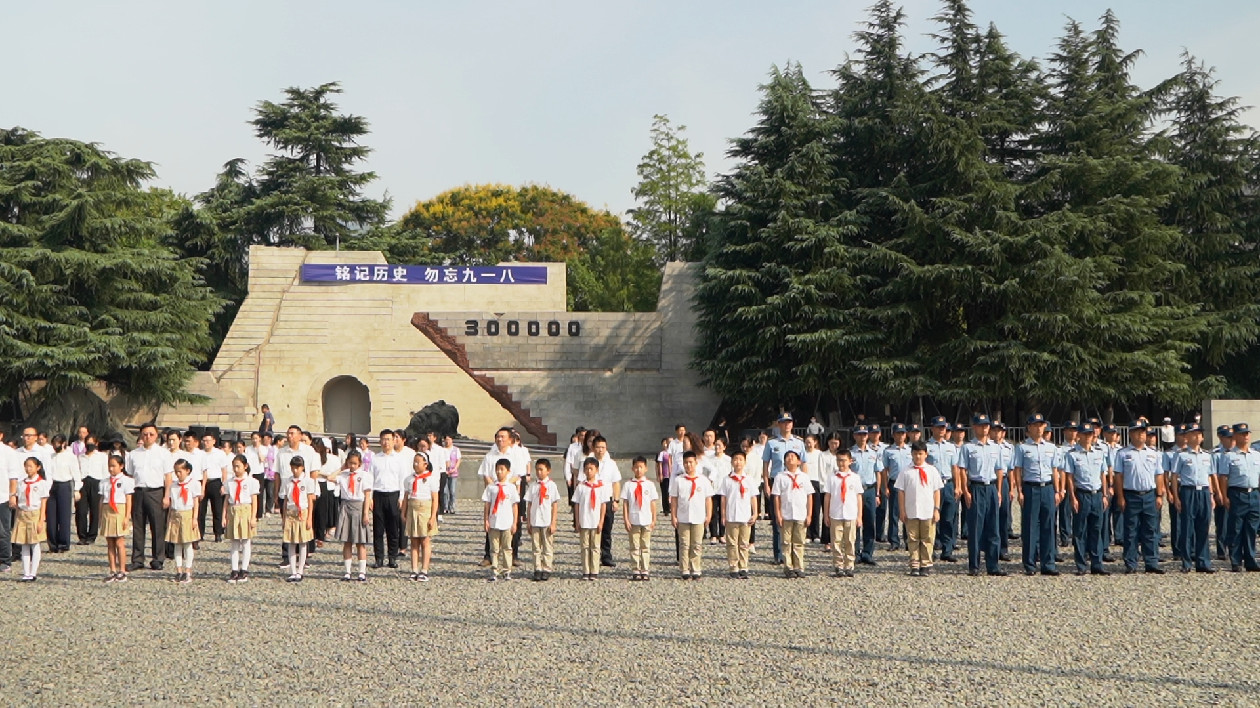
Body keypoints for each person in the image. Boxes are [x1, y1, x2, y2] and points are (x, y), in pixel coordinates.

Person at [1112, 419, 1166, 574]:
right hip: (1131, 495)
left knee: (1150, 530)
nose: (1141, 435)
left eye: (1143, 432)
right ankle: (1131, 563)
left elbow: (1159, 475)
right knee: (1131, 531)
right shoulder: (1123, 453)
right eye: (1137, 431)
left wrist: (1159, 495)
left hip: (1149, 495)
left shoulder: (1153, 453)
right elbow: (1119, 476)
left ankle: (1152, 562)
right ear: (1130, 434)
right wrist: (1120, 497)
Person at [958, 414, 1008, 577]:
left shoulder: (996, 447)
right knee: (975, 528)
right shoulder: (968, 447)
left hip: (992, 487)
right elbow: (963, 470)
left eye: (986, 425)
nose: (985, 428)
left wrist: (999, 491)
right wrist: (966, 491)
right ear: (974, 427)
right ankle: (974, 565)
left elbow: (1000, 470)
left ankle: (993, 565)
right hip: (976, 488)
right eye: (981, 425)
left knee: (993, 527)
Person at [1012, 414, 1060, 576]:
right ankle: (1030, 564)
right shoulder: (1022, 448)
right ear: (1029, 428)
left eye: (1042, 425)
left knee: (1049, 526)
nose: (1039, 428)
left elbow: (1055, 471)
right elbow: (1018, 470)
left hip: (1047, 487)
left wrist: (1058, 491)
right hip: (1030, 488)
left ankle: (1048, 563)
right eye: (1036, 425)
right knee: (1030, 527)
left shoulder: (1051, 447)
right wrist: (1019, 491)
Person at [1062, 423, 1111, 575]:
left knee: (1097, 530)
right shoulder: (1072, 454)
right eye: (1085, 434)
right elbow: (1070, 477)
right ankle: (1081, 565)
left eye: (1090, 434)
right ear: (1079, 436)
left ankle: (1097, 564)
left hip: (1096, 494)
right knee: (1080, 531)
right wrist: (1073, 497)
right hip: (1082, 495)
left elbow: (1103, 475)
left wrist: (1105, 494)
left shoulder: (1099, 453)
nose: (1088, 437)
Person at [125, 423, 173, 571]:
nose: (148, 437)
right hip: (138, 491)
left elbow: (168, 476)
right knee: (138, 527)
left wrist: (166, 496)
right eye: (145, 434)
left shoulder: (163, 453)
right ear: (140, 435)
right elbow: (130, 474)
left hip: (156, 491)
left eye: (151, 434)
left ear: (156, 435)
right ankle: (138, 558)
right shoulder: (133, 454)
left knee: (158, 527)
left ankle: (158, 558)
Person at [762, 413, 805, 566]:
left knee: (794, 517)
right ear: (778, 424)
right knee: (778, 519)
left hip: (794, 482)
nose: (786, 425)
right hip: (777, 481)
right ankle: (779, 554)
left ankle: (794, 554)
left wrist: (804, 482)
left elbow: (804, 463)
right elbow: (766, 465)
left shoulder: (799, 443)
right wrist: (766, 484)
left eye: (789, 422)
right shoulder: (772, 443)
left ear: (792, 424)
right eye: (783, 422)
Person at [1171, 424, 1215, 573]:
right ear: (1186, 437)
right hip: (1188, 491)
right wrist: (1176, 497)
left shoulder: (1207, 455)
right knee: (1187, 527)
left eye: (1199, 434)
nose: (1197, 437)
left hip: (1203, 491)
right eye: (1193, 434)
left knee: (1203, 527)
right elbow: (1175, 476)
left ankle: (1203, 562)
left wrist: (1212, 495)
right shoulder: (1181, 454)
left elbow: (1210, 477)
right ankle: (1187, 561)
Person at [477, 427, 523, 567]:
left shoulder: (516, 455)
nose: (500, 439)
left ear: (510, 439)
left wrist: (505, 485)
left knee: (513, 525)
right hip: (494, 492)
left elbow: (518, 475)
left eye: (503, 437)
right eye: (498, 436)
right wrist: (495, 486)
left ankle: (513, 555)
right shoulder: (490, 456)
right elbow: (486, 474)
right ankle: (489, 556)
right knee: (492, 524)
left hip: (509, 494)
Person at [896, 441, 943, 577]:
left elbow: (936, 491)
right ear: (911, 454)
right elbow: (901, 491)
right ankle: (915, 563)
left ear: (926, 454)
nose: (918, 457)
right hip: (912, 511)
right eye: (915, 454)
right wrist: (902, 510)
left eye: (921, 454)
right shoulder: (906, 471)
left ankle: (926, 564)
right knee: (913, 538)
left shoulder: (932, 470)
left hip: (928, 510)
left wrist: (936, 509)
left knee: (928, 538)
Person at [1223, 423, 1260, 572]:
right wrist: (1224, 496)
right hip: (1237, 493)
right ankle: (1236, 560)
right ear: (1235, 436)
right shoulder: (1229, 456)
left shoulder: (1257, 455)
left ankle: (1251, 560)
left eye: (1247, 434)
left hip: (1254, 493)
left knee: (1252, 529)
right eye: (1242, 434)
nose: (1246, 436)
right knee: (1236, 529)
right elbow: (1224, 478)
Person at [670, 451, 713, 581]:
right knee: (684, 544)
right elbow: (674, 499)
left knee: (697, 543)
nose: (688, 465)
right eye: (686, 463)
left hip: (699, 516)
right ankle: (684, 568)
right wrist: (673, 516)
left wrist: (708, 515)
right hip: (683, 516)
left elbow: (708, 499)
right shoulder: (678, 480)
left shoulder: (703, 480)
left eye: (691, 462)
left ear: (696, 463)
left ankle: (695, 567)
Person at [772, 450, 812, 579]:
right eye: (787, 457)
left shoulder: (804, 477)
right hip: (786, 514)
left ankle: (799, 566)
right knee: (786, 542)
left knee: (799, 542)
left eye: (793, 457)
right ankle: (788, 567)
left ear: (799, 461)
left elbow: (809, 496)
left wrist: (809, 514)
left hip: (801, 514)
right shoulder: (780, 477)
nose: (790, 459)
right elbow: (776, 497)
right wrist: (778, 514)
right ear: (784, 461)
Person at [823, 447, 862, 577]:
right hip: (836, 513)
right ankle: (838, 565)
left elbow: (858, 497)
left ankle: (849, 565)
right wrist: (826, 514)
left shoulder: (855, 478)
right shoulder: (832, 478)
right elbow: (827, 496)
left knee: (850, 541)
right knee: (836, 541)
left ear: (850, 461)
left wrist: (859, 516)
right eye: (839, 460)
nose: (841, 463)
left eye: (844, 460)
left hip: (851, 513)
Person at [334, 450, 372, 582]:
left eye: (355, 463)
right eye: (350, 463)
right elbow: (329, 478)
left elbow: (367, 495)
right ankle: (347, 571)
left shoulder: (365, 476)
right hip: (345, 506)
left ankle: (362, 571)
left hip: (359, 506)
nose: (353, 466)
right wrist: (342, 468)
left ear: (360, 463)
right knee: (347, 541)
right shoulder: (343, 475)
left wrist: (366, 513)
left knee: (360, 542)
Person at [222, 454, 260, 583]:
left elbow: (254, 501)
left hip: (245, 510)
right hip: (233, 510)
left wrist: (253, 517)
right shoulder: (229, 482)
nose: (236, 469)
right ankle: (234, 570)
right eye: (234, 466)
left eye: (238, 466)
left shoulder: (252, 482)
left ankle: (244, 569)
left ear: (245, 466)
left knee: (245, 541)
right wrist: (224, 516)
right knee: (234, 542)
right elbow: (226, 500)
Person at [402, 452, 439, 582]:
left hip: (425, 509)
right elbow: (406, 497)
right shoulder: (409, 479)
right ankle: (414, 569)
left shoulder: (431, 479)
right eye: (414, 461)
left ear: (425, 464)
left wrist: (433, 516)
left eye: (418, 462)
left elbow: (435, 499)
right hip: (412, 508)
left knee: (425, 540)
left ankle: (424, 569)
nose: (415, 464)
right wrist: (403, 512)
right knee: (413, 541)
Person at [925, 417, 958, 562]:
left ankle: (947, 550)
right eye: (938, 427)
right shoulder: (927, 447)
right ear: (932, 428)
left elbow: (955, 468)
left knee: (948, 518)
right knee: (932, 519)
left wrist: (958, 486)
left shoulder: (951, 447)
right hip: (933, 487)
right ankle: (930, 549)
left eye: (943, 427)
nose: (941, 430)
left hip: (948, 484)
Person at [12, 458, 51, 582]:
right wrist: (17, 517)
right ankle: (26, 572)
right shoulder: (21, 483)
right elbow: (18, 502)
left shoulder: (41, 483)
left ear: (37, 467)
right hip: (23, 514)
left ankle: (33, 572)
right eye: (26, 466)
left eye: (31, 466)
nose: (28, 469)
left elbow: (43, 502)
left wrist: (41, 520)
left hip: (35, 514)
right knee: (24, 544)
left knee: (35, 543)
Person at [370, 430, 404, 569]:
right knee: (378, 529)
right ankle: (379, 558)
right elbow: (370, 478)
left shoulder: (399, 459)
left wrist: (401, 497)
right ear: (380, 441)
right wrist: (370, 497)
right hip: (378, 494)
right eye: (383, 439)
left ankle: (392, 557)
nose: (386, 442)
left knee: (393, 529)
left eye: (389, 439)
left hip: (393, 494)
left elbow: (402, 479)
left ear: (393, 441)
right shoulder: (375, 458)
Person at [720, 450, 756, 579]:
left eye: (740, 459)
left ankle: (744, 566)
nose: (738, 462)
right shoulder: (727, 479)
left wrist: (755, 513)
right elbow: (723, 498)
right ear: (731, 462)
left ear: (745, 462)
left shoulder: (749, 479)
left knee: (744, 543)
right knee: (732, 543)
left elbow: (753, 497)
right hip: (732, 515)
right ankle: (733, 566)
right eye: (735, 459)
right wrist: (723, 515)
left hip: (745, 516)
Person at [621, 456, 658, 581]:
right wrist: (626, 519)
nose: (638, 470)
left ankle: (645, 568)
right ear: (632, 468)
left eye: (641, 467)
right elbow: (625, 503)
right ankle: (636, 568)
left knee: (645, 545)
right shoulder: (628, 485)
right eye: (636, 467)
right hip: (633, 519)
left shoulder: (650, 485)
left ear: (646, 468)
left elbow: (653, 503)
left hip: (646, 519)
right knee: (634, 545)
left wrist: (654, 519)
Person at [483, 458, 520, 582]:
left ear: (508, 471)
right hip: (494, 521)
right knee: (494, 548)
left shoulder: (511, 487)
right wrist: (486, 520)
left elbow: (515, 505)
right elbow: (487, 504)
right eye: (497, 469)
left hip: (507, 522)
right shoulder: (491, 487)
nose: (499, 472)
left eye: (502, 469)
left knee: (507, 548)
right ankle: (494, 570)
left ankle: (507, 570)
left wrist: (515, 522)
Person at [849, 425, 881, 566]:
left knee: (869, 522)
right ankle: (855, 553)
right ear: (855, 436)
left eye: (864, 434)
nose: (862, 437)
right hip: (855, 491)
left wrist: (878, 493)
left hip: (869, 490)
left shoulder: (874, 453)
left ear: (867, 436)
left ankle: (868, 553)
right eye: (859, 434)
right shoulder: (850, 453)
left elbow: (878, 473)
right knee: (855, 522)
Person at [165, 460, 201, 584]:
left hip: (187, 514)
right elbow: (171, 504)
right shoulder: (173, 486)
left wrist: (195, 518)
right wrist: (169, 517)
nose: (178, 474)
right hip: (176, 514)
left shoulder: (194, 484)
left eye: (180, 471)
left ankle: (188, 571)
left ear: (187, 471)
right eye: (176, 471)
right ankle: (179, 570)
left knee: (187, 544)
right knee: (177, 544)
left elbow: (196, 502)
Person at [877, 424, 912, 551]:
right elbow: (884, 470)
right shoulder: (888, 451)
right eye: (898, 433)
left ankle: (909, 539)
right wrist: (885, 486)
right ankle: (894, 541)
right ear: (893, 435)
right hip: (894, 482)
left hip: (909, 483)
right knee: (894, 513)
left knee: (909, 512)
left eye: (902, 433)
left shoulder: (910, 450)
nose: (900, 436)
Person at [525, 459, 560, 582]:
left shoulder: (552, 486)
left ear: (548, 471)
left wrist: (554, 522)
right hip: (535, 521)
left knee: (547, 546)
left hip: (546, 521)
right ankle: (537, 568)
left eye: (541, 469)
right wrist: (528, 521)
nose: (539, 472)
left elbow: (554, 505)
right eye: (537, 469)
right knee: (536, 547)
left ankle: (547, 568)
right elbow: (529, 504)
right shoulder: (533, 486)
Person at [46, 435, 81, 554]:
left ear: (63, 443)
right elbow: (48, 472)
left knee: (64, 516)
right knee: (51, 516)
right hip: (52, 485)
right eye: (54, 444)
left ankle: (63, 543)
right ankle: (52, 543)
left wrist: (77, 489)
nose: (55, 446)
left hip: (64, 485)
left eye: (57, 443)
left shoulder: (70, 457)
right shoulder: (50, 456)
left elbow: (76, 473)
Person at [590, 435, 622, 568]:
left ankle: (606, 556)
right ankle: (593, 556)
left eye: (603, 447)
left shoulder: (611, 464)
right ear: (593, 448)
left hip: (607, 499)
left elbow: (616, 483)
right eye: (598, 447)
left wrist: (616, 500)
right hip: (593, 500)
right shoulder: (588, 462)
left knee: (607, 529)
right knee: (593, 528)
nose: (600, 450)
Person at [101, 454, 134, 583]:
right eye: (109, 466)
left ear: (121, 466)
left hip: (120, 510)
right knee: (110, 542)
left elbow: (128, 500)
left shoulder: (126, 481)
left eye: (114, 466)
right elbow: (102, 500)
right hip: (107, 510)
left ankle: (122, 570)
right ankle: (112, 569)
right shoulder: (104, 482)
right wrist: (100, 517)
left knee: (120, 541)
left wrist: (127, 516)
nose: (111, 469)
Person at [76, 435, 108, 546]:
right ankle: (82, 536)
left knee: (95, 510)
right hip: (83, 483)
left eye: (91, 443)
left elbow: (105, 472)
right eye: (87, 443)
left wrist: (104, 488)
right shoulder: (80, 457)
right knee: (81, 511)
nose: (89, 445)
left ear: (96, 444)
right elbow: (77, 472)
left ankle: (92, 536)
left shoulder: (102, 456)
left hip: (96, 483)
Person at [198, 433, 230, 543]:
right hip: (202, 482)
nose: (206, 443)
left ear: (214, 441)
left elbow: (224, 471)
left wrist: (223, 485)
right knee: (201, 510)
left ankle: (218, 533)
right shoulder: (200, 453)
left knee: (217, 509)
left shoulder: (220, 453)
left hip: (215, 482)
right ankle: (200, 533)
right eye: (204, 440)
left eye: (208, 440)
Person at [1212, 425, 1235, 561]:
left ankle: (1234, 548)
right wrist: (1218, 493)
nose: (1231, 440)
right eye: (1228, 438)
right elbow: (1214, 474)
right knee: (1222, 522)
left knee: (1235, 522)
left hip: (1234, 489)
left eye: (1232, 437)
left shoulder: (1236, 453)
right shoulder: (1216, 454)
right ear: (1220, 437)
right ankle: (1221, 549)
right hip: (1221, 490)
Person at [312, 439, 341, 545]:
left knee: (322, 512)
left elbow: (337, 471)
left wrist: (323, 474)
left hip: (324, 484)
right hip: (318, 483)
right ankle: (317, 534)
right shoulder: (314, 456)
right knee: (317, 512)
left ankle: (320, 534)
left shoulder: (331, 458)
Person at [441, 434, 461, 515]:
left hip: (453, 473)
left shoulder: (456, 449)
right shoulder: (442, 450)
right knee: (445, 491)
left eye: (449, 439)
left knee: (452, 491)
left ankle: (451, 507)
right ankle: (445, 507)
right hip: (444, 472)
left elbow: (458, 460)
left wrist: (455, 468)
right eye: (446, 439)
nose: (447, 441)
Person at [656, 437, 673, 515]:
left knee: (672, 492)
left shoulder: (673, 453)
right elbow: (659, 464)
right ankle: (666, 509)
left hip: (673, 475)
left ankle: (672, 507)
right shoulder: (662, 453)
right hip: (665, 475)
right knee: (665, 492)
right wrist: (660, 474)